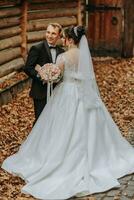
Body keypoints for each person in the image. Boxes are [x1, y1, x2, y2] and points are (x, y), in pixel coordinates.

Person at [2, 26, 134, 200]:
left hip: (66, 94)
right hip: (83, 94)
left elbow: (58, 76)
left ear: (70, 40)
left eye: (64, 38)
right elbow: (86, 77)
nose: (62, 40)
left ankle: (59, 159)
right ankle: (100, 157)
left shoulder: (64, 56)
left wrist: (48, 74)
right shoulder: (84, 55)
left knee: (61, 127)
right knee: (88, 126)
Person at [24, 23, 64, 123]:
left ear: (59, 36)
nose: (49, 36)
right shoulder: (37, 48)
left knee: (54, 121)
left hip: (56, 92)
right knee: (40, 121)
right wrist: (41, 76)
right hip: (40, 91)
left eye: (53, 33)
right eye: (48, 32)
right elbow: (28, 67)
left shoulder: (62, 51)